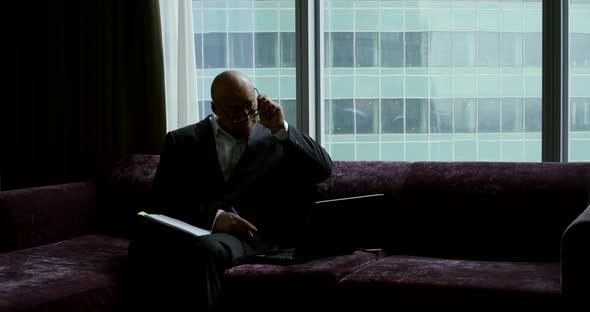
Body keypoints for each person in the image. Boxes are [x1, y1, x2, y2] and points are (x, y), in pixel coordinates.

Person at [128, 70, 333, 311]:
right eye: (236, 111)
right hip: (199, 229)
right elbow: (162, 203)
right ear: (216, 108)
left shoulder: (276, 137)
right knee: (144, 240)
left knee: (207, 250)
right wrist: (214, 218)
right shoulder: (181, 141)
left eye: (251, 106)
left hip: (254, 237)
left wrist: (281, 127)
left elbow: (323, 169)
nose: (247, 116)